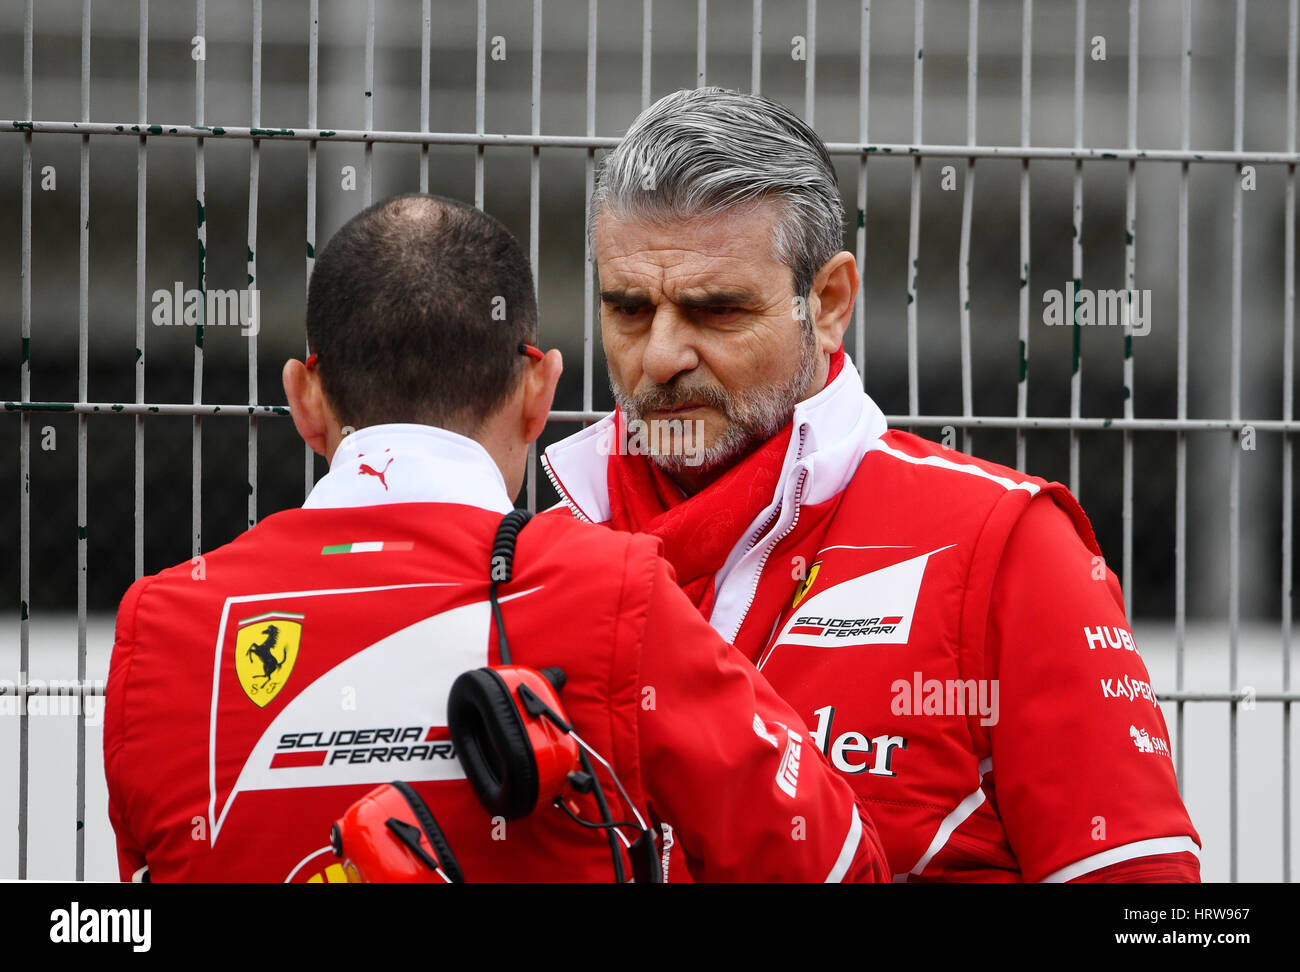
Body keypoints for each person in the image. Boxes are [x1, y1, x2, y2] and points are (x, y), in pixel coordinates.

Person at [103, 192, 890, 883]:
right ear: (538, 390)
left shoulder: (162, 625)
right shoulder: (607, 591)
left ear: (305, 399)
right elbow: (831, 861)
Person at [540, 87, 1202, 883]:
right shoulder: (536, 563)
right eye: (630, 310)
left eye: (716, 311)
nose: (659, 357)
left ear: (827, 303)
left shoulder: (1004, 546)